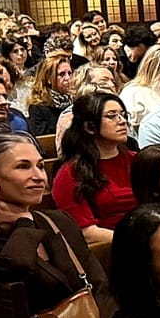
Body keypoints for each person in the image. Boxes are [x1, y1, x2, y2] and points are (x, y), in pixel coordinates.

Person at [0, 129, 115, 318]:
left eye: (40, 166)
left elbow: (99, 284)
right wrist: (24, 222)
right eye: (23, 167)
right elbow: (14, 268)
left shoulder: (59, 220)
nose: (39, 176)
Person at [52, 93, 136, 243]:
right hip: (112, 249)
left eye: (123, 115)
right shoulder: (71, 173)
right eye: (112, 116)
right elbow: (87, 232)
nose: (122, 121)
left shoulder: (136, 160)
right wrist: (137, 242)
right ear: (89, 127)